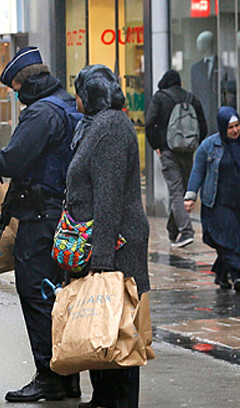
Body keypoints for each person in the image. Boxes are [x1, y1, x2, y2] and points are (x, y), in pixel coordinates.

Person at [0, 47, 81, 402]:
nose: (16, 96)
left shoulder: (42, 113)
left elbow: (14, 159)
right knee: (57, 296)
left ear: (26, 83)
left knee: (36, 294)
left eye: (16, 88)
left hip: (40, 217)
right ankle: (66, 376)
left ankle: (49, 376)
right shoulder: (68, 105)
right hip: (63, 214)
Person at [68, 64, 150, 408]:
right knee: (100, 322)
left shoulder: (110, 128)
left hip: (116, 246)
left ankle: (117, 401)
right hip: (104, 242)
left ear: (91, 95)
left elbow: (109, 195)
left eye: (80, 91)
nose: (75, 98)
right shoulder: (96, 126)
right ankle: (103, 396)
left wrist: (101, 258)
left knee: (118, 326)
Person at [184, 107, 240, 293]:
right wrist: (190, 196)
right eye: (231, 127)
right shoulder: (208, 146)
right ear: (222, 127)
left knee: (236, 237)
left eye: (237, 126)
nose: (235, 130)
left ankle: (222, 274)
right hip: (218, 202)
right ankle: (237, 274)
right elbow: (198, 171)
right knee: (228, 236)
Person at [145, 70, 207, 247]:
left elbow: (150, 123)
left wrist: (157, 146)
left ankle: (186, 232)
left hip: (168, 151)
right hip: (187, 153)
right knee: (182, 191)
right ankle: (173, 229)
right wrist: (193, 145)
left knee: (176, 192)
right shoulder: (191, 98)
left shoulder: (160, 98)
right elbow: (203, 127)